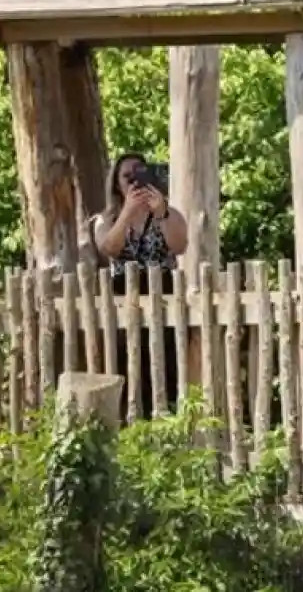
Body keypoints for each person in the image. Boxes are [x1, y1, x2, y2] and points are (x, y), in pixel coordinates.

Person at [95, 152, 187, 417]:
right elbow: (109, 248)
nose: (135, 180)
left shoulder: (168, 212)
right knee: (127, 361)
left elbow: (179, 246)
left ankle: (167, 418)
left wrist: (161, 213)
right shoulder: (107, 218)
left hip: (164, 295)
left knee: (167, 360)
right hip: (125, 296)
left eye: (140, 173)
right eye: (128, 176)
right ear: (117, 184)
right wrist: (127, 213)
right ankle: (130, 419)